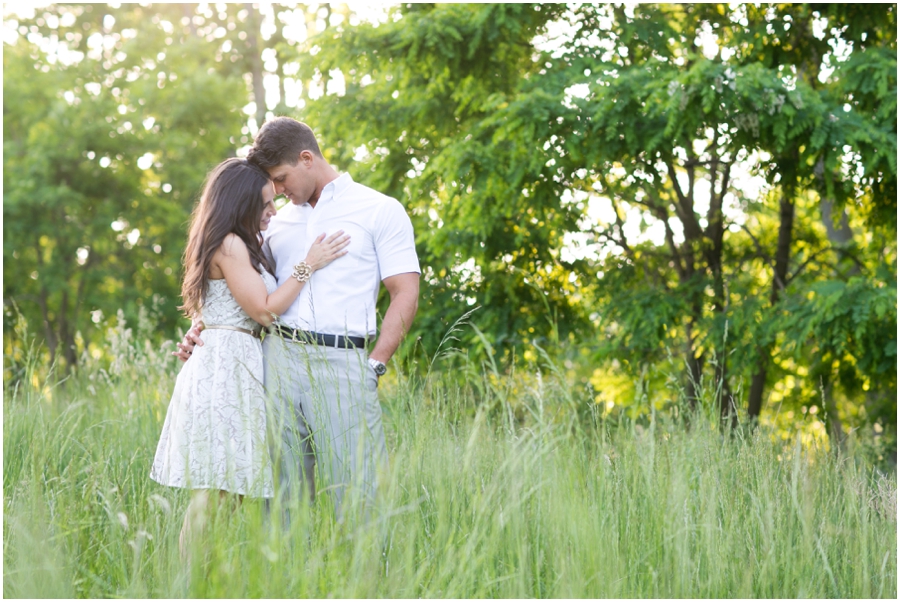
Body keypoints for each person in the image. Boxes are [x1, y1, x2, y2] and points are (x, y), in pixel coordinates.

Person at [178, 118, 420, 520]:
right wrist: (203, 325)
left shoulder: (379, 209)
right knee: (283, 499)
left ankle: (365, 584)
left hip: (344, 364)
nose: (278, 192)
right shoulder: (275, 221)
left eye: (282, 178)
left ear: (307, 159)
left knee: (360, 493)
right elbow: (247, 290)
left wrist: (375, 364)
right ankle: (289, 582)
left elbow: (405, 291)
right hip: (277, 360)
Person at [152, 157, 350, 553]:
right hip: (224, 370)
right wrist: (308, 265)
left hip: (240, 364)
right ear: (239, 205)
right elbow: (263, 310)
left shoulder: (243, 244)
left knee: (232, 489)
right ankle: (186, 589)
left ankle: (202, 585)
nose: (273, 211)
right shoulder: (228, 244)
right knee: (216, 494)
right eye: (264, 204)